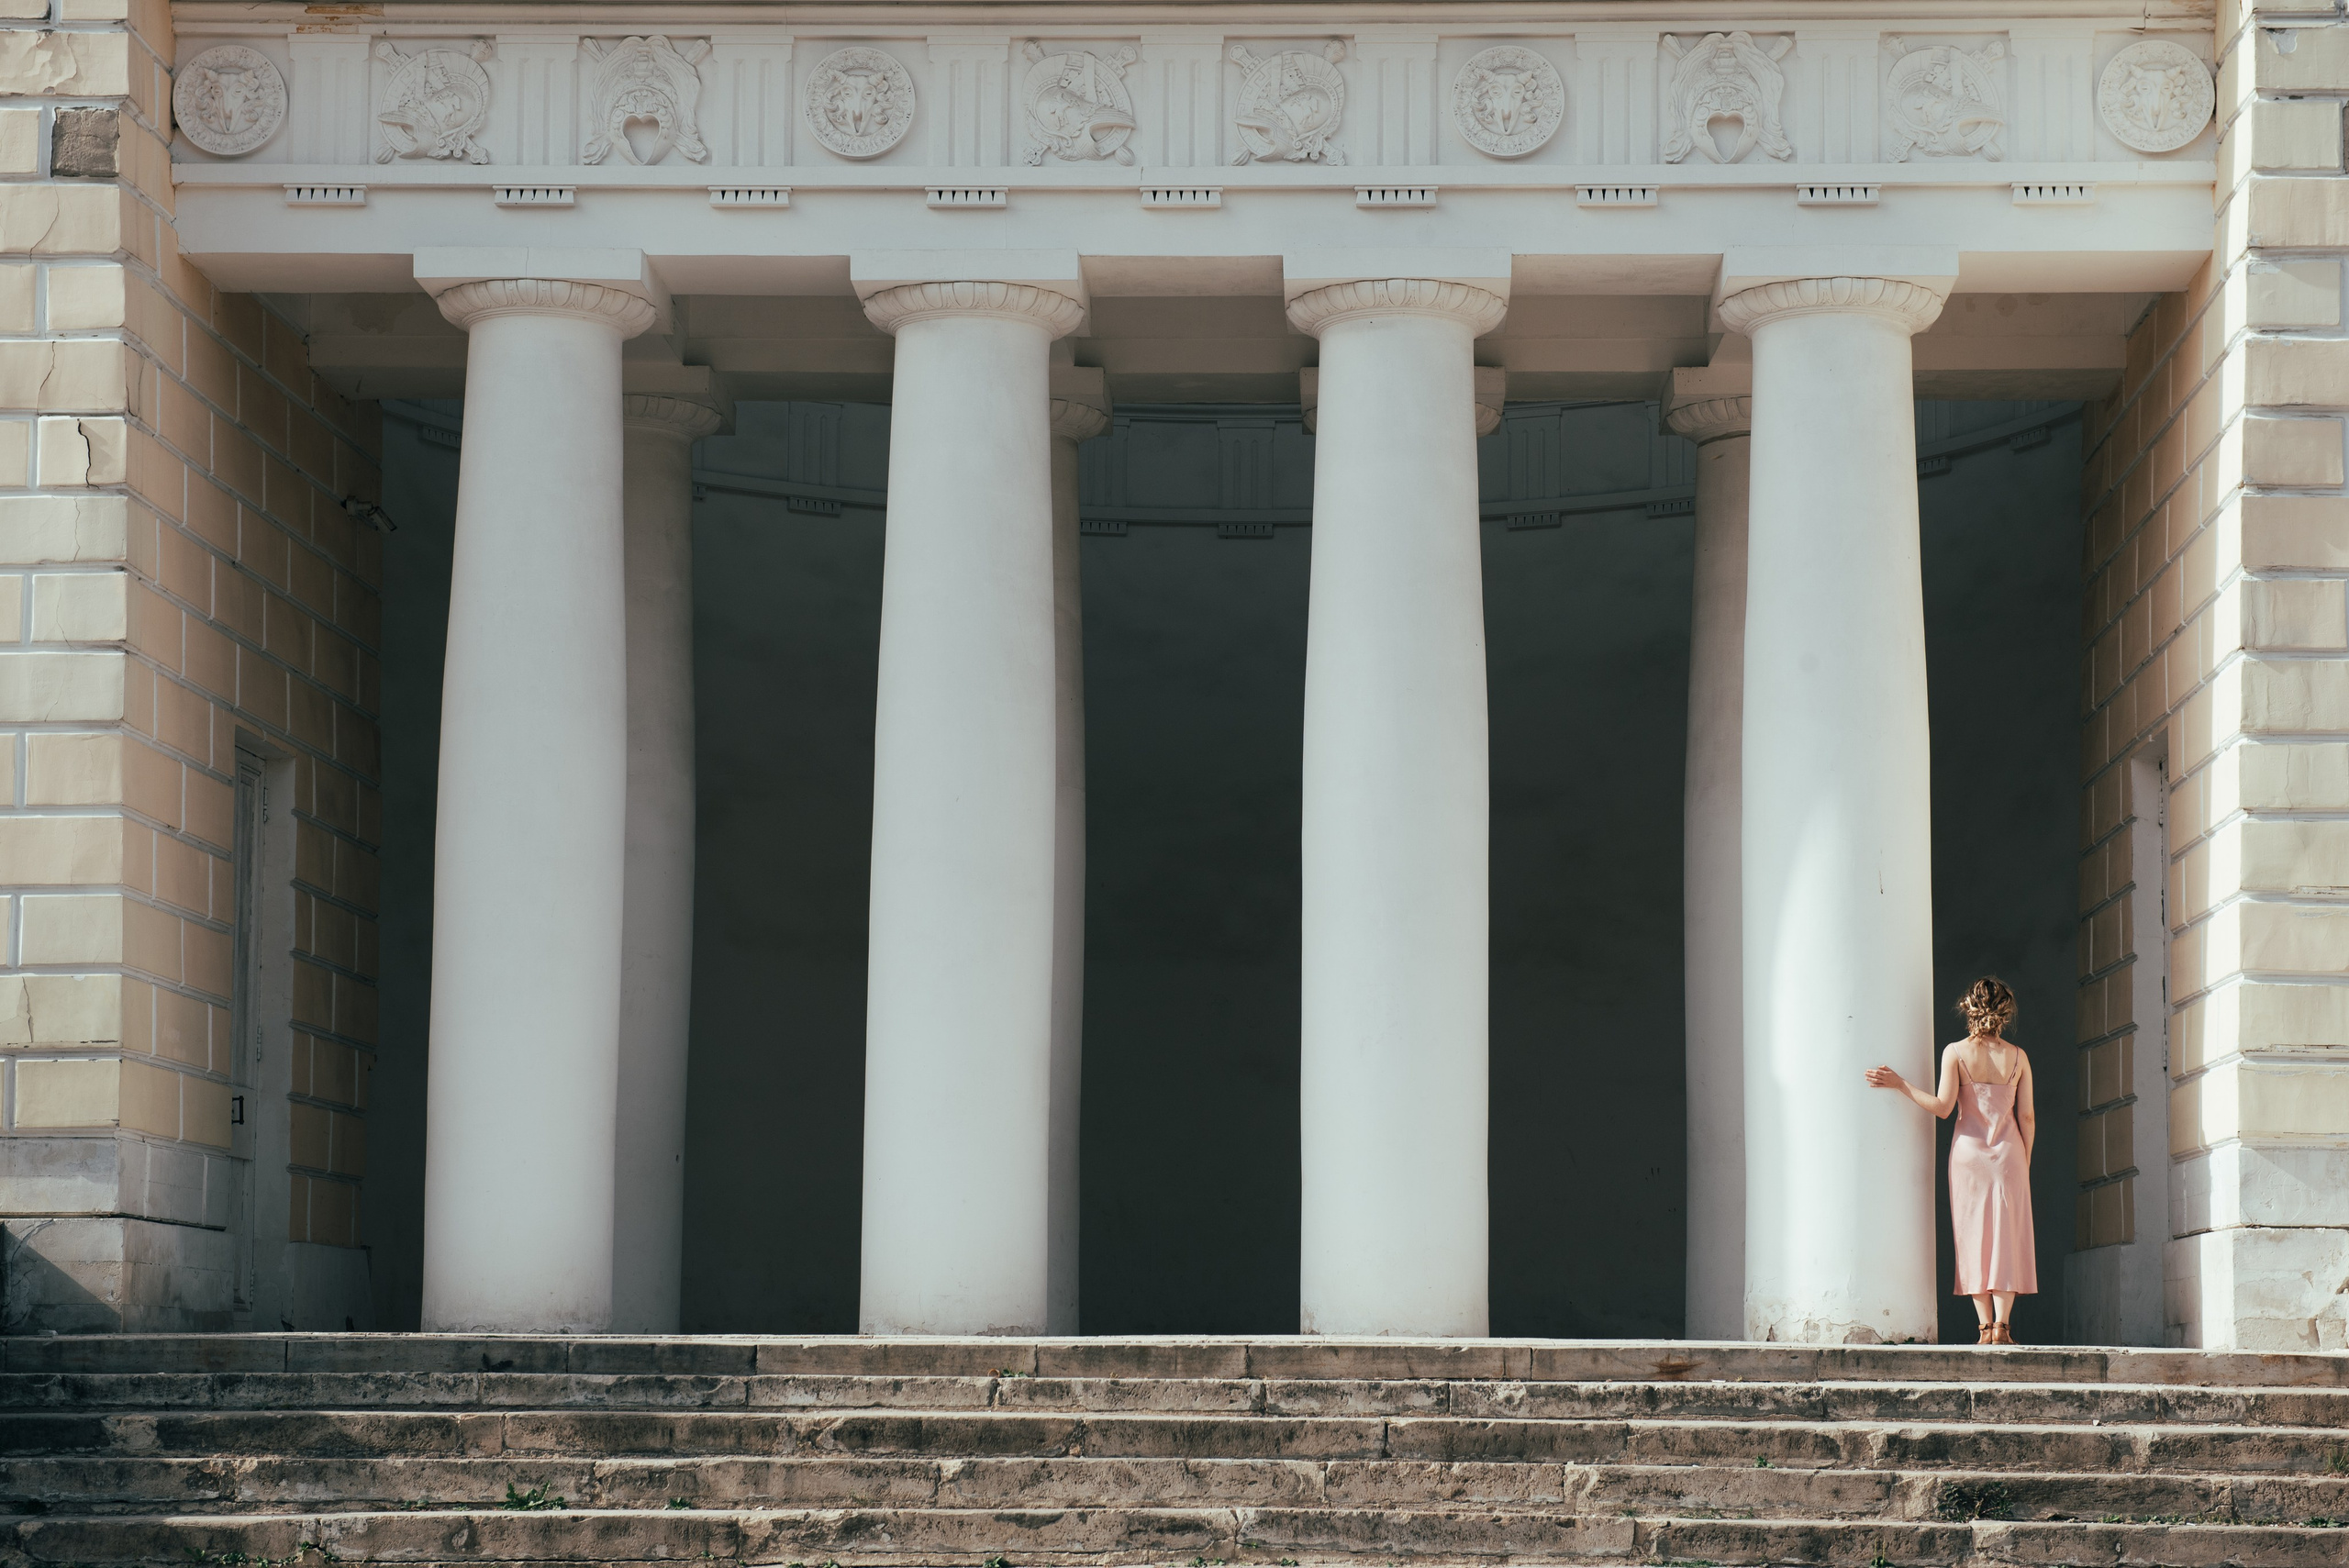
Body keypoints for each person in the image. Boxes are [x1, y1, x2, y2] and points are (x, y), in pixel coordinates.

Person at [1863, 977, 2038, 1344]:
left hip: (1968, 1157)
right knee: (2007, 1235)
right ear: (2005, 1012)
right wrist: (2025, 1161)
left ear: (1968, 1008)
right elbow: (2027, 1119)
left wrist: (1900, 1084)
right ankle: (2003, 1327)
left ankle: (1983, 1328)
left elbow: (1943, 1108)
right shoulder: (2019, 1056)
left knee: (1974, 1234)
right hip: (2010, 1155)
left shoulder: (1955, 1053)